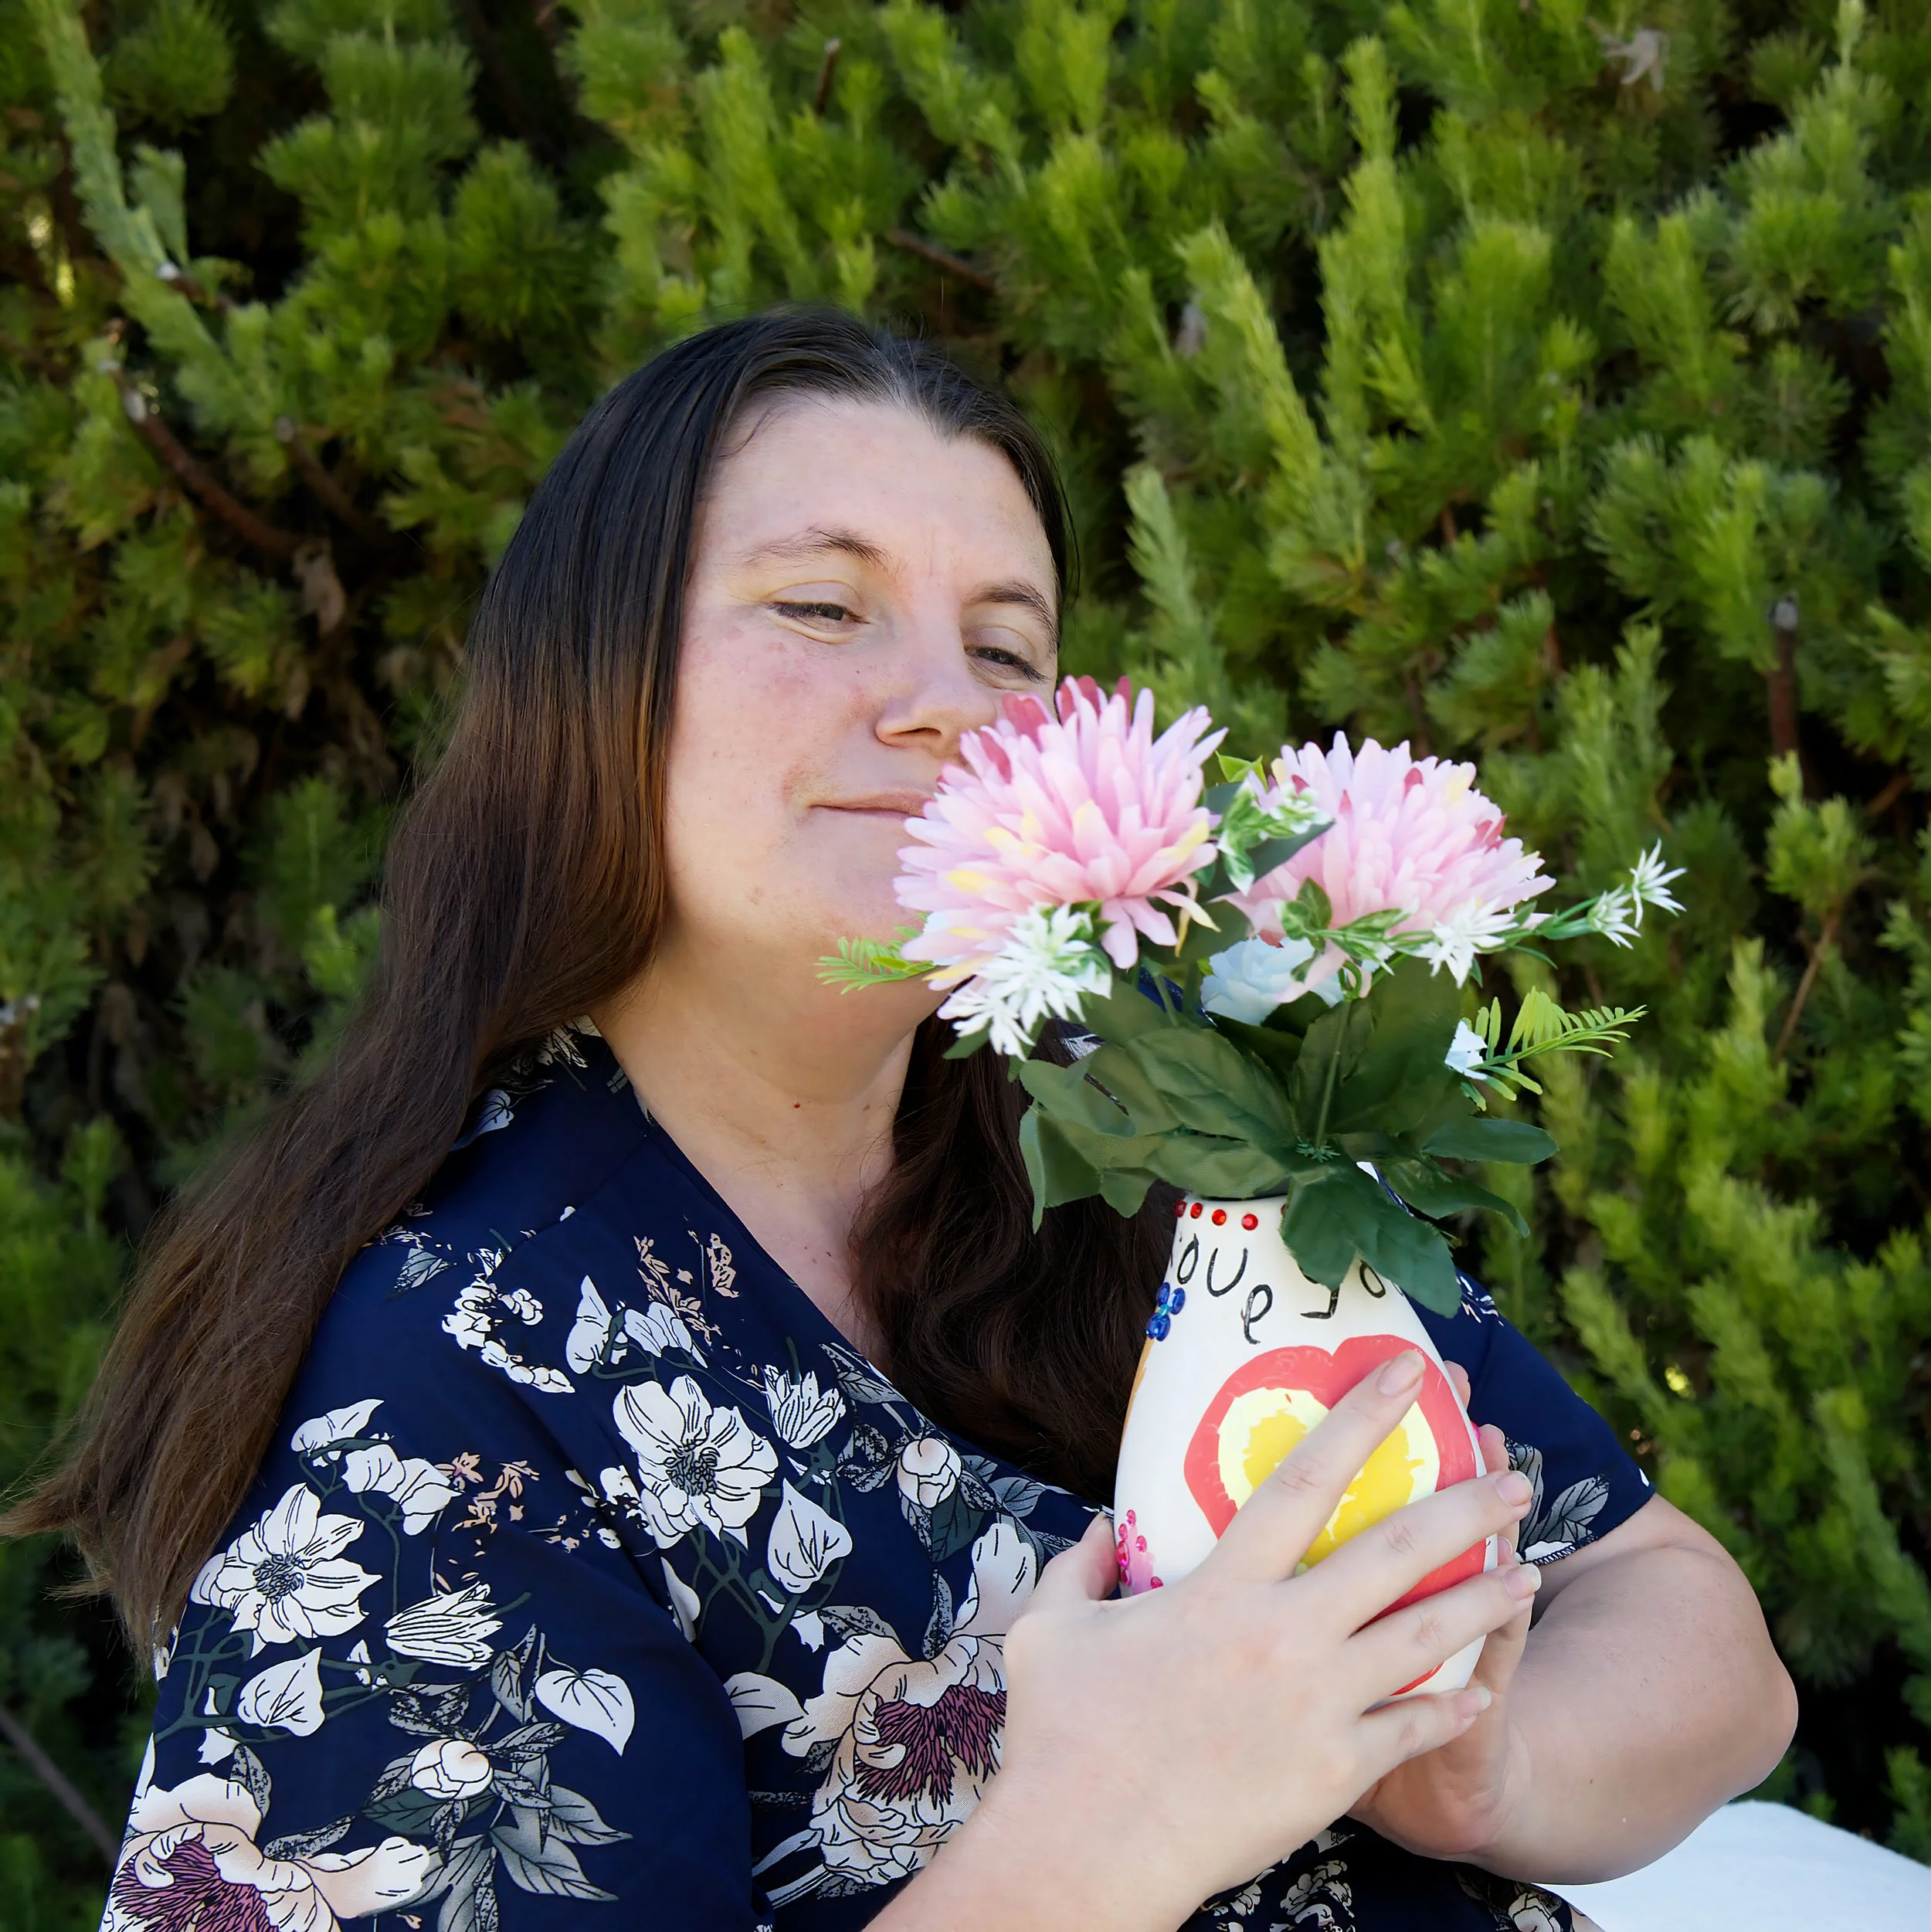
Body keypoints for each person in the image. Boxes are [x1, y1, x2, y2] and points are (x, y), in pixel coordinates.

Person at [21, 311, 1795, 1932]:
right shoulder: (453, 1380)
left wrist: (1482, 1769)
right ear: (592, 682)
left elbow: (1678, 1615)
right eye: (819, 602)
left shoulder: (1166, 1156)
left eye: (1005, 644)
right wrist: (1101, 1826)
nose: (944, 700)